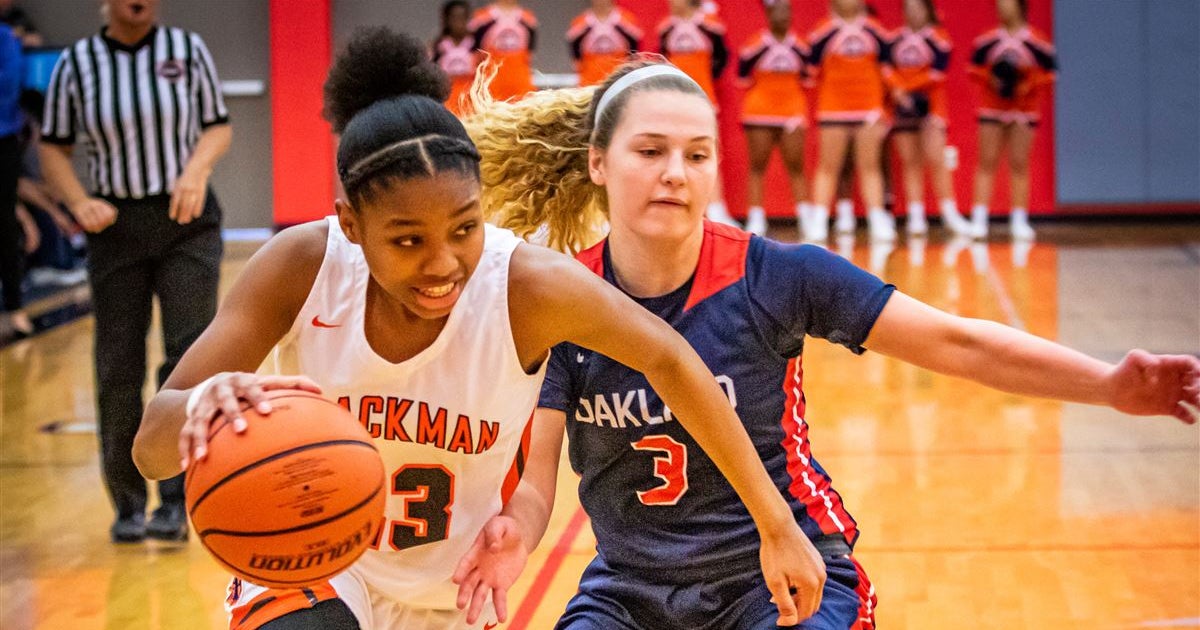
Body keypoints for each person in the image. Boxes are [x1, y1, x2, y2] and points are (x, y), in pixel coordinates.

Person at [463, 58, 1200, 629]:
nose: (674, 174)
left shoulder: (777, 277)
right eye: (650, 151)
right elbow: (535, 483)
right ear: (597, 163)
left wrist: (1108, 385)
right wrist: (516, 536)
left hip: (778, 571)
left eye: (697, 154)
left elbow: (957, 342)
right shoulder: (564, 301)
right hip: (629, 592)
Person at [133, 28, 829, 630]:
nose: (443, 264)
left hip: (454, 589)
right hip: (308, 562)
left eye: (464, 228)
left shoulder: (525, 286)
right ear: (351, 224)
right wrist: (203, 409)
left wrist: (777, 526)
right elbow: (151, 452)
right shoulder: (301, 264)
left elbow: (672, 360)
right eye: (407, 241)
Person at [39, 0, 232, 543]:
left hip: (186, 221)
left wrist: (197, 169)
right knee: (118, 364)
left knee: (187, 358)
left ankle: (176, 499)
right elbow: (53, 149)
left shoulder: (187, 51)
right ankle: (126, 502)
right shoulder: (77, 63)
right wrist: (78, 202)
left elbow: (218, 127)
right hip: (114, 228)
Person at [805, 0, 893, 242]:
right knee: (828, 167)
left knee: (870, 167)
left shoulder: (876, 31)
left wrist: (883, 110)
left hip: (868, 109)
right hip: (833, 109)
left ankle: (877, 221)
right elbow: (812, 71)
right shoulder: (822, 32)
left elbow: (887, 72)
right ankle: (819, 221)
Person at [968, 0, 1055, 240]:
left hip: (1024, 110)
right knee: (986, 161)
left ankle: (1019, 219)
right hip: (992, 108)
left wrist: (1027, 84)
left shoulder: (1036, 40)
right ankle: (979, 218)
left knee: (1019, 163)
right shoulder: (988, 39)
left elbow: (1050, 74)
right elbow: (973, 68)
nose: (1001, 8)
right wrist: (992, 79)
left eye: (1006, 3)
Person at [885, 0, 970, 237]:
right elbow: (886, 69)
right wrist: (898, 91)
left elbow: (936, 73)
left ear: (927, 10)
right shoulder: (893, 40)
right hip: (902, 108)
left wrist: (905, 88)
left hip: (931, 107)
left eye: (918, 7)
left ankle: (950, 214)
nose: (913, 12)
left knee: (937, 159)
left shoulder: (939, 39)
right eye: (908, 7)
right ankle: (915, 216)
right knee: (910, 161)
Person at [657, 0, 734, 228]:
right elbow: (662, 61)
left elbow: (721, 61)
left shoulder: (711, 27)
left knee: (705, 153)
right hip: (672, 101)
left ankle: (717, 210)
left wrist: (701, 80)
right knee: (672, 154)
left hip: (704, 100)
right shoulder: (666, 28)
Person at [737, 0, 811, 237]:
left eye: (787, 10)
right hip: (760, 112)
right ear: (768, 14)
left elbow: (808, 79)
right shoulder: (755, 45)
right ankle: (756, 218)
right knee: (757, 165)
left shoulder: (800, 46)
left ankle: (806, 218)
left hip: (791, 112)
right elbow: (743, 77)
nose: (782, 16)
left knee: (796, 165)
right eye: (777, 10)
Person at [0, 22, 30, 337]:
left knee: (4, 226)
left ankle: (15, 306)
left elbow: (8, 87)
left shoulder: (5, 38)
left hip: (2, 143)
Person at [469, 0, 538, 102]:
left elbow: (529, 55)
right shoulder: (482, 19)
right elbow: (474, 56)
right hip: (491, 86)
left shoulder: (528, 19)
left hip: (521, 86)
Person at [566, 0, 643, 88]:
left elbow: (635, 42)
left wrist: (631, 63)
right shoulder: (582, 21)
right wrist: (578, 64)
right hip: (591, 71)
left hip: (618, 68)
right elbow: (573, 43)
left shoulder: (624, 18)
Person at [432, 0, 480, 117]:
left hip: (470, 102)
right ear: (447, 20)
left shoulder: (476, 45)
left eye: (462, 18)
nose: (459, 23)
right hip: (447, 101)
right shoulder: (439, 46)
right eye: (454, 18)